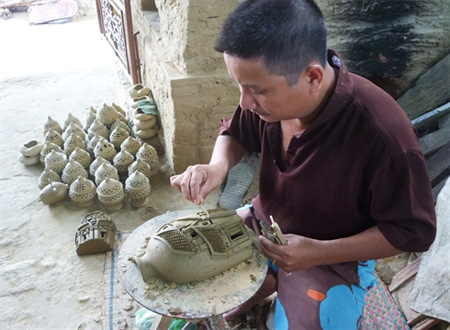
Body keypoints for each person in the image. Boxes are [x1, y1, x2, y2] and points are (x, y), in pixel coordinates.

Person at [170, 0, 437, 329]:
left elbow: (414, 232)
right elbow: (236, 132)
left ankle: (276, 289)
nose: (245, 102)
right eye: (239, 86)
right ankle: (264, 286)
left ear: (312, 76)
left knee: (311, 321)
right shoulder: (270, 100)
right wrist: (216, 167)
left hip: (333, 256)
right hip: (265, 222)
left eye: (257, 90)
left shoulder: (384, 138)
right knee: (182, 266)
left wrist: (318, 253)